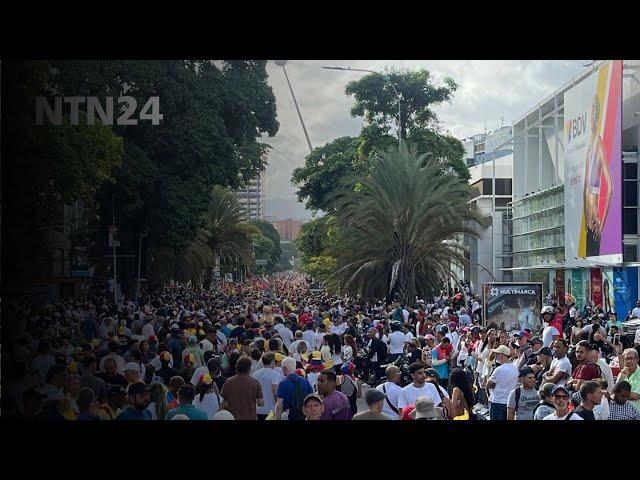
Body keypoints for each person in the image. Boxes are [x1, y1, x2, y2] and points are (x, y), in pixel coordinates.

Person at [583, 93, 613, 257]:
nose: (593, 114)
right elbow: (585, 188)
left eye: (596, 110)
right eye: (592, 109)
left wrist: (601, 226)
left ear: (599, 115)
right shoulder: (589, 145)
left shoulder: (598, 145)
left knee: (595, 273)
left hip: (594, 226)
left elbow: (610, 189)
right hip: (587, 225)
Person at [219, 355, 263, 420]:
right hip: (250, 417)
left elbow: (222, 399)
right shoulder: (255, 382)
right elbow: (261, 403)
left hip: (232, 417)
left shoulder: (228, 381)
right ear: (248, 369)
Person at [486, 345, 519, 420]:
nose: (496, 356)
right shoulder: (515, 368)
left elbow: (488, 385)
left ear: (503, 355)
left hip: (497, 402)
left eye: (498, 354)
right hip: (509, 403)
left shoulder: (499, 370)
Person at [252, 352, 282, 420]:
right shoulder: (275, 374)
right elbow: (275, 391)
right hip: (271, 409)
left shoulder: (255, 374)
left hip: (258, 409)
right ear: (272, 361)